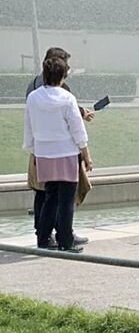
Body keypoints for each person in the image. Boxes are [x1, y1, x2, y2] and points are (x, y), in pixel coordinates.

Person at [24, 54, 93, 253]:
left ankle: (43, 239)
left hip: (44, 153)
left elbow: (29, 126)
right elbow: (77, 129)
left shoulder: (33, 97)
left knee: (51, 197)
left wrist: (33, 151)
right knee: (66, 200)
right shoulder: (67, 98)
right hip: (66, 153)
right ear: (62, 76)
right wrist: (86, 155)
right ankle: (65, 241)